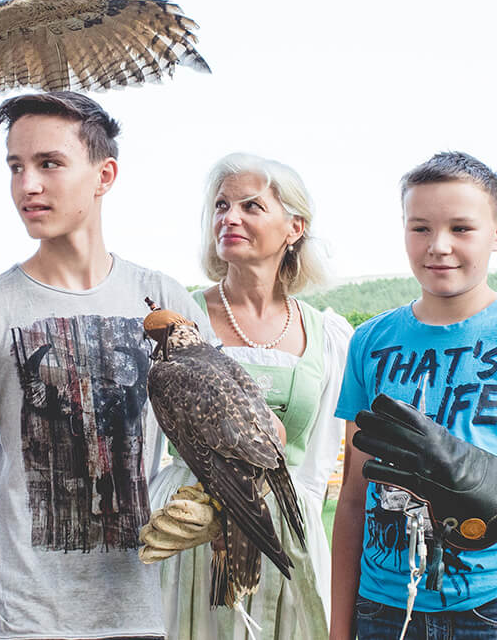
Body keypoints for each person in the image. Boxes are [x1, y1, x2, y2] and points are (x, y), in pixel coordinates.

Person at [0, 91, 213, 639]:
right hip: (16, 616)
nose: (27, 185)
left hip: (135, 614)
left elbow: (222, 425)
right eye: (16, 167)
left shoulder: (163, 300)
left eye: (49, 164)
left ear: (104, 175)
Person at [329, 151, 497, 639]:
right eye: (419, 227)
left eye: (461, 229)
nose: (438, 246)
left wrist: (463, 474)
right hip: (382, 611)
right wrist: (341, 630)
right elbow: (355, 498)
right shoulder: (370, 341)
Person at [143, 153, 353, 638]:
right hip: (192, 523)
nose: (229, 217)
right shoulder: (180, 319)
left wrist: (301, 532)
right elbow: (145, 443)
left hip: (283, 519)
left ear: (294, 227)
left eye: (251, 206)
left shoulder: (327, 335)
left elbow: (316, 467)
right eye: (221, 205)